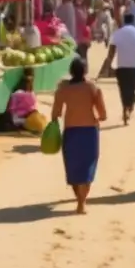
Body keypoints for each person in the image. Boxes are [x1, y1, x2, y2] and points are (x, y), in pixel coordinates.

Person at [51, 56, 107, 214]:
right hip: (89, 131)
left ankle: (79, 199)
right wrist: (96, 118)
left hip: (71, 131)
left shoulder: (63, 89)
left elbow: (55, 114)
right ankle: (82, 203)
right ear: (85, 71)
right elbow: (103, 115)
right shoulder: (92, 88)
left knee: (73, 167)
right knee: (88, 166)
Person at [106, 13, 135, 125]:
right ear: (133, 21)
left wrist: (108, 67)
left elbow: (111, 52)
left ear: (124, 21)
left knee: (123, 89)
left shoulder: (117, 33)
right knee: (132, 89)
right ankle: (129, 107)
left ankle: (125, 108)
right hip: (134, 67)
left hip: (121, 67)